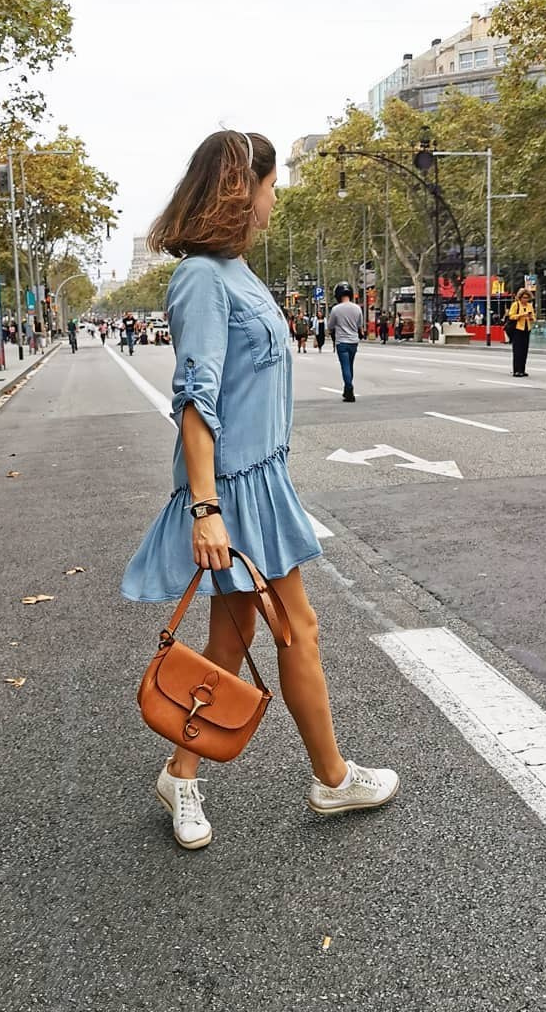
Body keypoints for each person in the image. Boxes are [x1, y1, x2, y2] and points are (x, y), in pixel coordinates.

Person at [121, 129, 398, 851]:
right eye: (271, 187)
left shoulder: (238, 271)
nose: (275, 200)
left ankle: (182, 771)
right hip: (232, 491)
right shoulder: (201, 280)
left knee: (233, 635)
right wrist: (206, 508)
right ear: (242, 191)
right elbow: (196, 400)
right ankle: (331, 778)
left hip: (262, 482)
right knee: (296, 626)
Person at [327, 281, 364, 402]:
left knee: (345, 366)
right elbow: (360, 325)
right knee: (350, 365)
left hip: (341, 342)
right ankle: (347, 390)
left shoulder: (336, 309)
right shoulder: (357, 308)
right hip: (353, 341)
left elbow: (330, 326)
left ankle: (349, 388)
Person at [507, 289, 535, 377]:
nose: (525, 299)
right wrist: (521, 315)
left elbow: (533, 317)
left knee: (524, 351)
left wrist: (531, 317)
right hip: (517, 329)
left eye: (527, 298)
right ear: (520, 297)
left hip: (527, 329)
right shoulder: (516, 305)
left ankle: (522, 370)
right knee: (517, 351)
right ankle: (516, 370)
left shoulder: (529, 306)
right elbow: (511, 316)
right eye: (524, 297)